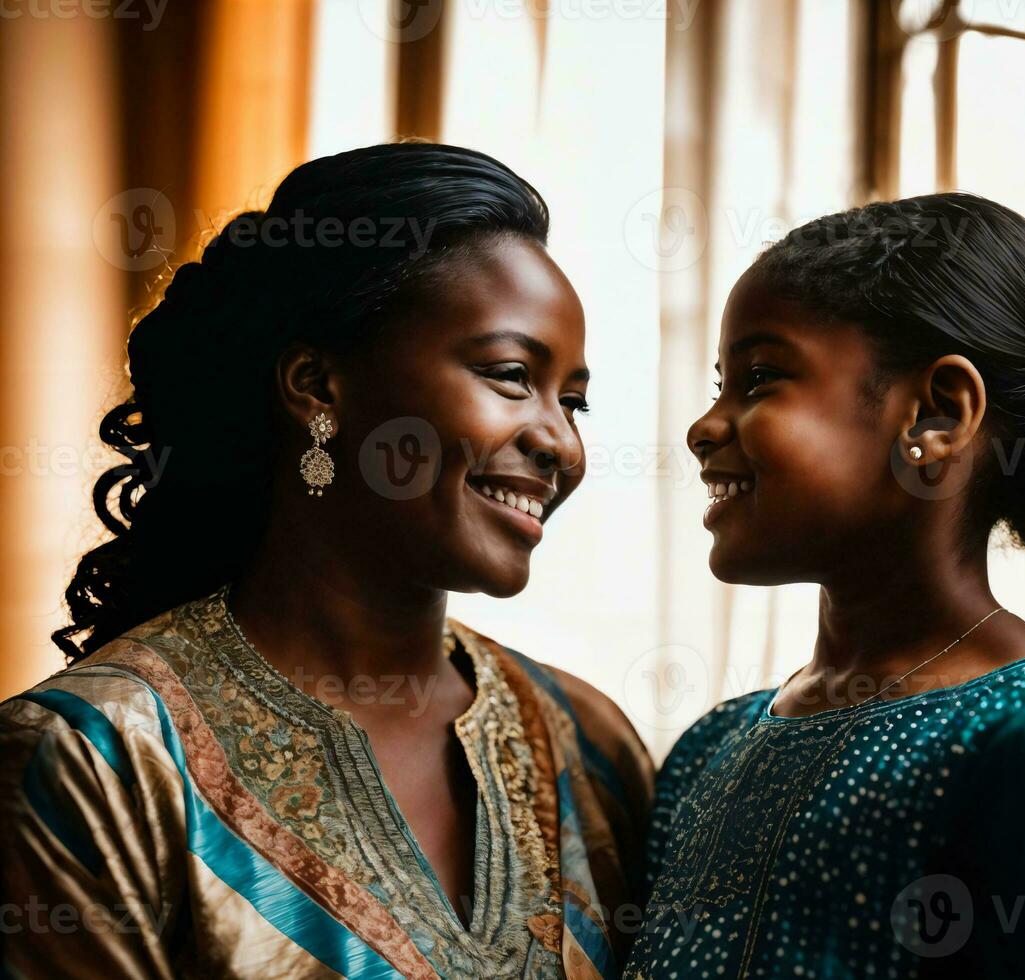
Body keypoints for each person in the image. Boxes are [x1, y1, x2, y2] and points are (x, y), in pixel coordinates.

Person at [0, 142, 652, 979]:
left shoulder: (589, 748)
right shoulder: (92, 762)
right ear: (317, 385)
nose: (559, 440)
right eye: (510, 375)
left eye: (574, 401)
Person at [627, 193, 1025, 979]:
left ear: (935, 414)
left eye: (758, 379)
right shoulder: (710, 749)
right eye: (721, 382)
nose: (703, 426)